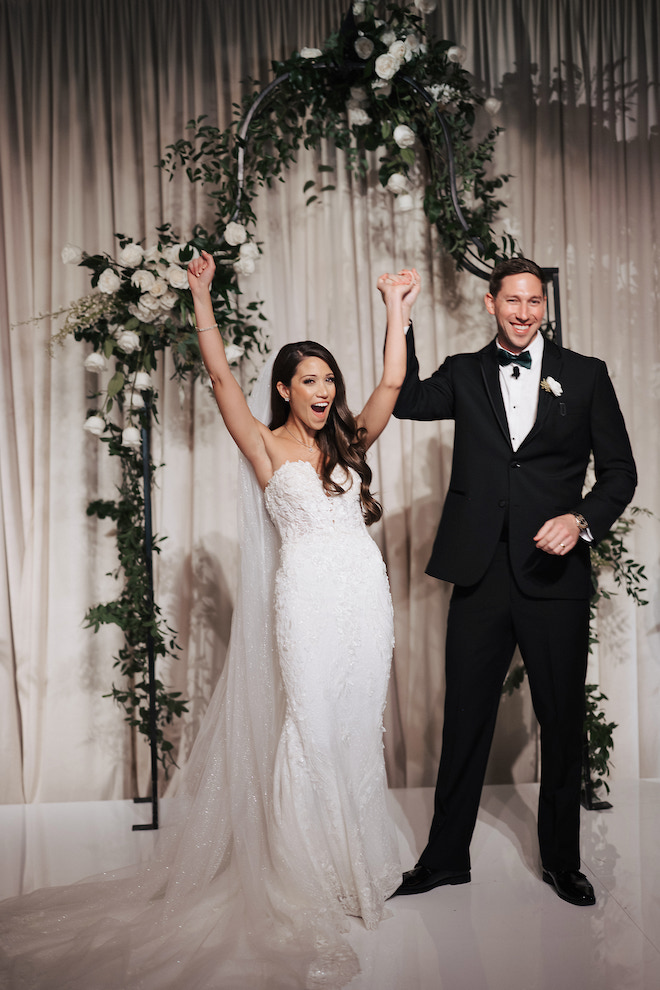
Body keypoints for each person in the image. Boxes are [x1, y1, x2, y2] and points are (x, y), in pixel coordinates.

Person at [0, 257, 420, 990]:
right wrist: (200, 296)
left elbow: (391, 385)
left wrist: (396, 308)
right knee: (310, 727)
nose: (323, 391)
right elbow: (223, 380)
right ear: (285, 390)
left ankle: (360, 859)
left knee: (355, 726)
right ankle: (307, 871)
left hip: (365, 599)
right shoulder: (263, 443)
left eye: (329, 380)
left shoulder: (348, 442)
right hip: (308, 601)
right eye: (309, 381)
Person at [391, 257, 636, 907]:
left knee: (560, 722)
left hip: (554, 574)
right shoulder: (466, 374)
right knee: (465, 719)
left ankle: (562, 861)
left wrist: (581, 520)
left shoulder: (585, 376)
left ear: (543, 306)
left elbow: (620, 474)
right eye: (513, 300)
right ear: (489, 303)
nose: (525, 312)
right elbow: (409, 399)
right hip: (480, 572)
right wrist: (400, 315)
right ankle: (445, 859)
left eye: (535, 301)